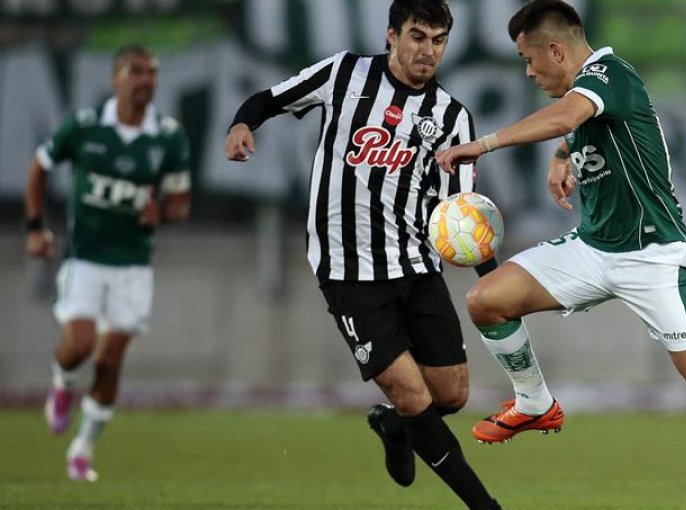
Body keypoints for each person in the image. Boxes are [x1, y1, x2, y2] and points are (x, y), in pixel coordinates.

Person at [435, 1, 686, 509]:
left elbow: (571, 111)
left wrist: (486, 144)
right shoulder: (587, 92)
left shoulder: (611, 73)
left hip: (653, 257)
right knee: (486, 300)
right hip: (592, 247)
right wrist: (564, 156)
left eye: (528, 58)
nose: (528, 70)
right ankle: (535, 401)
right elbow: (579, 120)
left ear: (556, 50)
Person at [224, 1, 502, 508]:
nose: (428, 51)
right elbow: (269, 98)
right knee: (415, 395)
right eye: (418, 37)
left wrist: (494, 279)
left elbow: (462, 213)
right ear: (391, 35)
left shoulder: (452, 117)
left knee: (452, 395)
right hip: (349, 273)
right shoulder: (344, 74)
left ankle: (395, 428)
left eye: (438, 40)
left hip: (418, 268)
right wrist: (242, 125)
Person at [25, 44, 191, 482]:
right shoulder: (85, 127)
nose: (145, 80)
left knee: (111, 359)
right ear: (114, 78)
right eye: (135, 72)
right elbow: (40, 166)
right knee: (79, 346)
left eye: (152, 72)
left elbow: (179, 202)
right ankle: (62, 384)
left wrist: (162, 211)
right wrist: (34, 227)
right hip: (86, 258)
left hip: (133, 264)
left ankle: (82, 450)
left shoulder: (168, 136)